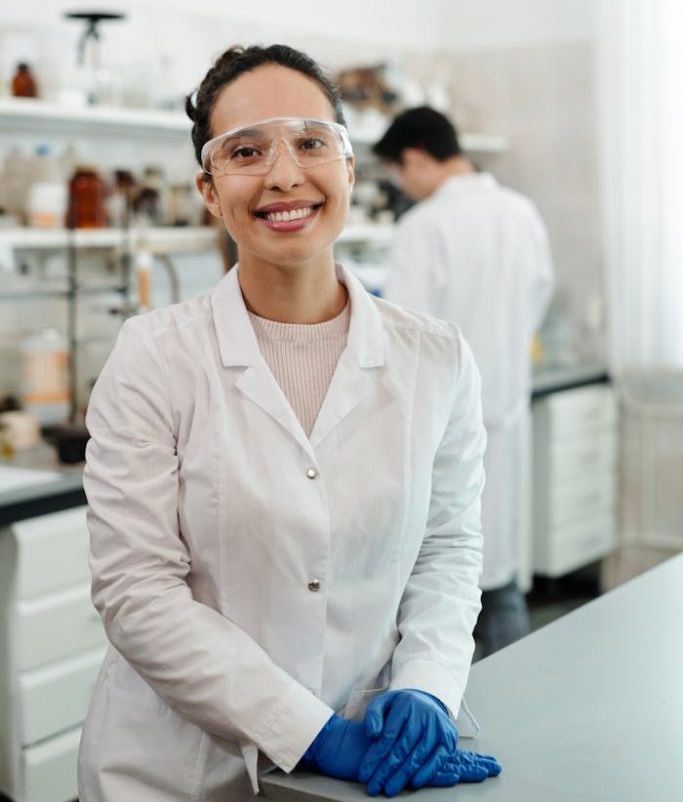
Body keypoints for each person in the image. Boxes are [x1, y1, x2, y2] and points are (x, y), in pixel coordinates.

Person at [77, 46, 501, 801]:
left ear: (347, 167)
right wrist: (311, 732)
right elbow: (137, 591)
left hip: (369, 771)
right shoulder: (153, 357)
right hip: (177, 776)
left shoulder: (434, 358)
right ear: (209, 191)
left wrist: (429, 685)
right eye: (245, 151)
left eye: (310, 141)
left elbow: (446, 547)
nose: (282, 174)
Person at [373, 106, 555, 658]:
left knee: (437, 589)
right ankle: (518, 697)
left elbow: (400, 335)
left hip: (440, 424)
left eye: (399, 174)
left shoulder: (423, 226)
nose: (403, 186)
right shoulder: (520, 212)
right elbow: (539, 295)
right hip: (504, 405)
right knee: (495, 575)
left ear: (416, 158)